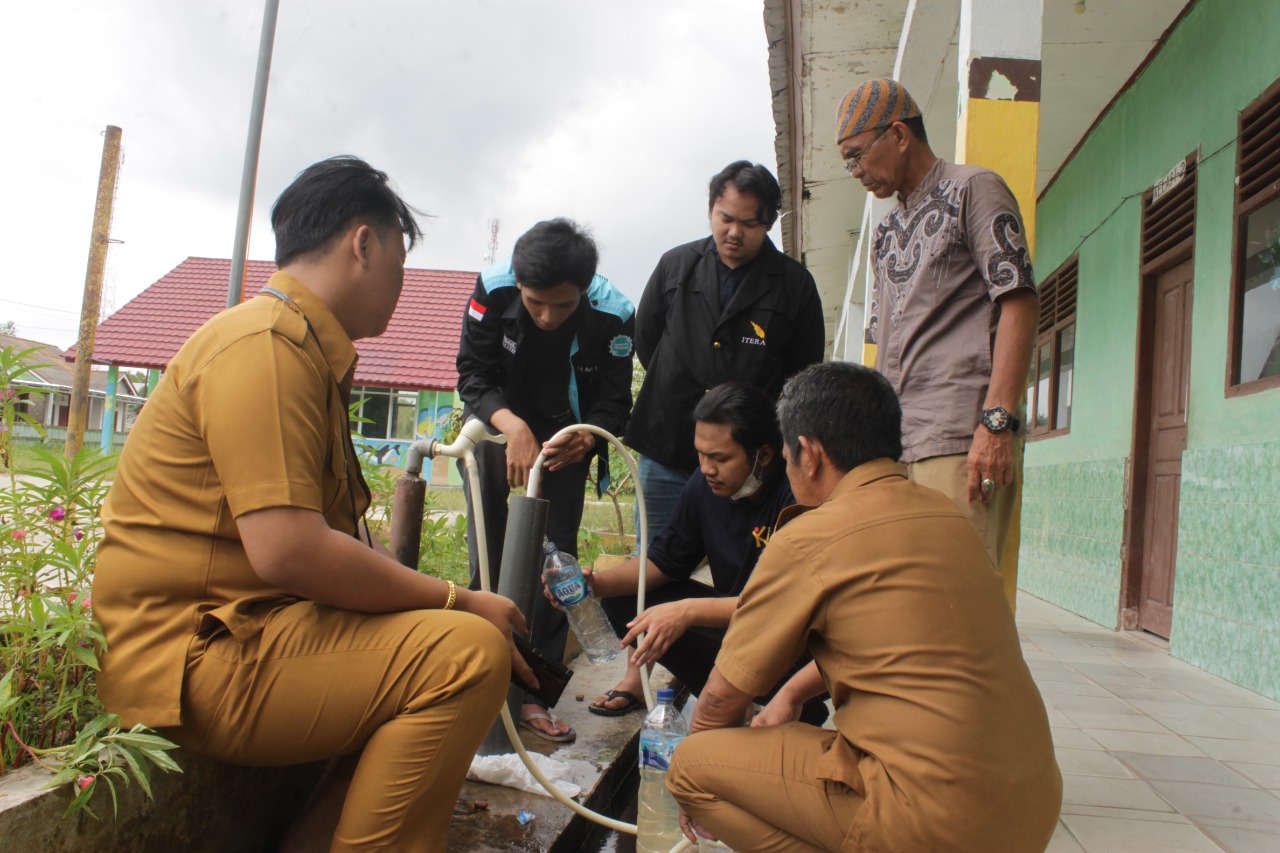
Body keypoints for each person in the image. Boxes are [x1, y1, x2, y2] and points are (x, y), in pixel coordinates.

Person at [92, 156, 535, 853]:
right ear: (364, 243)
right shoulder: (264, 345)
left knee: (426, 644)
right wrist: (457, 597)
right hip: (195, 657)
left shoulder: (298, 347)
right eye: (401, 252)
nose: (402, 276)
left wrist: (427, 600)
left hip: (244, 636)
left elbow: (326, 542)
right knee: (468, 652)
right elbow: (289, 549)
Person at [667, 362, 1062, 852]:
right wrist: (791, 693)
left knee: (691, 766)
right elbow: (902, 642)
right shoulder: (949, 519)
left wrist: (701, 769)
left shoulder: (809, 537)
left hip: (929, 822)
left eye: (788, 458)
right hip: (1030, 808)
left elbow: (722, 701)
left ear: (807, 454)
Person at [835, 77, 1039, 609]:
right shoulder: (885, 231)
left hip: (959, 437)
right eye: (847, 162)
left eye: (858, 157)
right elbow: (881, 346)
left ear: (899, 134)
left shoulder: (975, 189)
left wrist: (996, 424)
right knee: (908, 602)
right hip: (898, 445)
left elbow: (1018, 302)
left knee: (963, 601)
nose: (856, 173)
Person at [455, 218, 634, 742]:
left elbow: (615, 402)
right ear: (519, 282)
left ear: (584, 288)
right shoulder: (492, 288)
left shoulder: (615, 315)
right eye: (536, 304)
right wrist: (511, 426)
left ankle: (536, 696)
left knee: (558, 570)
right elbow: (473, 373)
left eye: (563, 305)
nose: (548, 316)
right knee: (485, 555)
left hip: (565, 441)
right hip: (497, 428)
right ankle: (474, 682)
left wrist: (592, 437)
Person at [568, 383, 825, 725]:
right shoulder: (704, 485)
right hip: (736, 624)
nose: (706, 469)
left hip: (787, 639)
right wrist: (593, 585)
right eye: (700, 455)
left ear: (763, 455)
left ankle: (788, 699)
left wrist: (687, 611)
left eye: (720, 458)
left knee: (677, 615)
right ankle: (729, 693)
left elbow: (781, 606)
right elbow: (662, 562)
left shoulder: (794, 497)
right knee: (628, 601)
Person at [626, 161, 825, 541]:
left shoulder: (794, 284)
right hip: (666, 441)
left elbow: (803, 374)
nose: (734, 232)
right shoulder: (676, 265)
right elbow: (646, 339)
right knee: (652, 559)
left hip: (747, 461)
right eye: (725, 218)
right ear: (711, 210)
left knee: (741, 565)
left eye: (749, 224)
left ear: (768, 222)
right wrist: (684, 377)